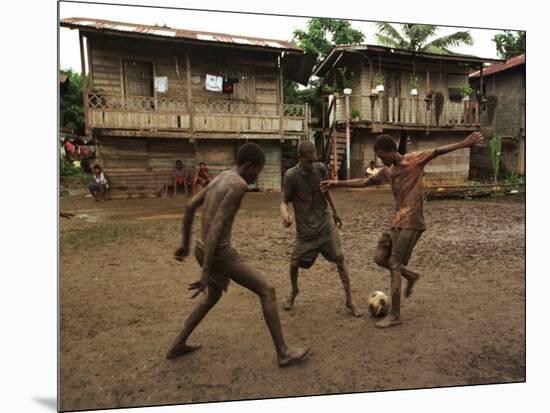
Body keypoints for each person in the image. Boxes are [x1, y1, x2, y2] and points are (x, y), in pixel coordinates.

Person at [321, 131, 484, 328]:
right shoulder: (387, 171)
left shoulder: (414, 160)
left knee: (395, 263)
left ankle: (395, 315)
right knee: (379, 258)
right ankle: (411, 276)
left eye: (382, 156)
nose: (380, 160)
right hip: (397, 221)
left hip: (412, 222)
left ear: (391, 151)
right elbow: (364, 182)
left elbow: (438, 151)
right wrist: (337, 183)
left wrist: (464, 143)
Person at [167, 143, 309, 367]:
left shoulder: (223, 176)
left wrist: (185, 245)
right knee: (267, 291)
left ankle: (177, 345)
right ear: (250, 166)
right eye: (259, 171)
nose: (258, 176)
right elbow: (216, 226)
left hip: (202, 247)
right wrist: (205, 270)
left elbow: (190, 205)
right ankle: (283, 352)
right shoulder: (239, 184)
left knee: (212, 298)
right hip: (218, 252)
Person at [280, 141, 362, 317]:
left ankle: (350, 300)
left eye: (314, 160)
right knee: (294, 263)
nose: (312, 165)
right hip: (305, 233)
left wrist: (335, 212)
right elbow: (283, 202)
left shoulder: (320, 169)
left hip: (325, 227)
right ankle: (294, 291)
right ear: (301, 158)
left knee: (340, 259)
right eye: (309, 161)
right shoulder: (291, 176)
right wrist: (285, 216)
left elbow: (326, 191)